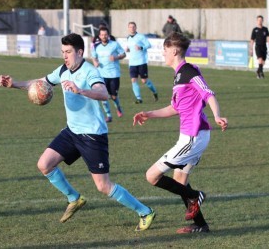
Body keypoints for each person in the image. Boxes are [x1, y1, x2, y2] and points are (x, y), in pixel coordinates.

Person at [0, 33, 155, 231]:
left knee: (103, 186)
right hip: (72, 132)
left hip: (92, 136)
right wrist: (14, 84)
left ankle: (145, 211)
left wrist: (80, 90)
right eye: (63, 52)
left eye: (69, 52)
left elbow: (104, 93)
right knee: (44, 164)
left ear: (80, 52)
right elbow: (40, 83)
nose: (65, 56)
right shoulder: (63, 70)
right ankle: (74, 198)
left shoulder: (90, 72)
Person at [133, 32, 228, 233]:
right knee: (179, 181)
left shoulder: (188, 71)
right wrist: (148, 114)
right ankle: (201, 225)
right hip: (192, 136)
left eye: (165, 50)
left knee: (152, 176)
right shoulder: (178, 76)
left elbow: (208, 93)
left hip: (194, 136)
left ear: (175, 50)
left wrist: (218, 115)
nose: (163, 53)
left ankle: (195, 195)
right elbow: (174, 108)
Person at [92, 27, 126, 123]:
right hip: (101, 74)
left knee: (114, 96)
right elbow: (94, 57)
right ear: (99, 36)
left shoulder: (114, 44)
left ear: (108, 35)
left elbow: (123, 54)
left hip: (114, 74)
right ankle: (109, 116)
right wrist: (95, 62)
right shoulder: (96, 46)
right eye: (102, 35)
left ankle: (118, 107)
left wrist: (116, 57)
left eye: (105, 35)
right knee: (103, 96)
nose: (104, 36)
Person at [126, 21, 158, 104]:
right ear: (128, 28)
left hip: (141, 62)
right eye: (130, 27)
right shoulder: (128, 38)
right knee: (133, 80)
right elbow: (131, 48)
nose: (132, 28)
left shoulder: (141, 36)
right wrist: (128, 49)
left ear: (136, 28)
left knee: (144, 80)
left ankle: (154, 92)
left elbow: (149, 45)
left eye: (133, 27)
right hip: (132, 63)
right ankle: (139, 99)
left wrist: (141, 47)